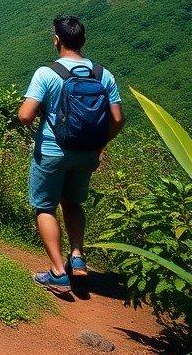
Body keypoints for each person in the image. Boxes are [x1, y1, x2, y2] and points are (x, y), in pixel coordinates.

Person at [17, 15, 124, 295]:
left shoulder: (47, 73)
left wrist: (34, 110)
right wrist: (100, 146)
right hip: (87, 153)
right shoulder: (103, 74)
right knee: (73, 203)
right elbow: (118, 119)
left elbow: (26, 116)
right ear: (83, 41)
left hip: (52, 152)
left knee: (45, 207)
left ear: (57, 39)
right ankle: (77, 256)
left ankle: (57, 273)